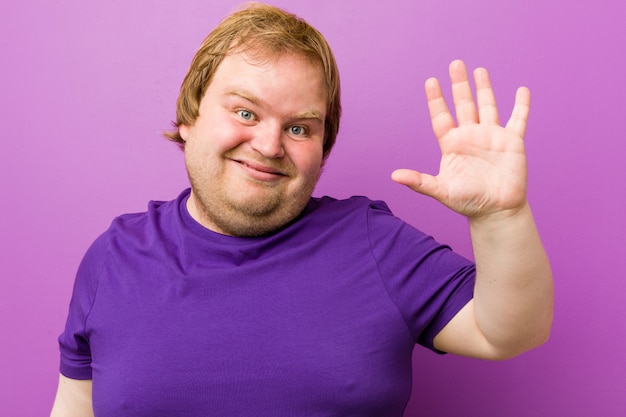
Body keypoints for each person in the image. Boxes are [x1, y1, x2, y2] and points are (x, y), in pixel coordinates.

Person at [50, 3, 553, 416]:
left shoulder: (374, 243)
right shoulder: (113, 259)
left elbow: (507, 331)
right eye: (245, 112)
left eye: (299, 127)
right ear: (189, 116)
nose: (269, 144)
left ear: (323, 147)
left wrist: (499, 216)